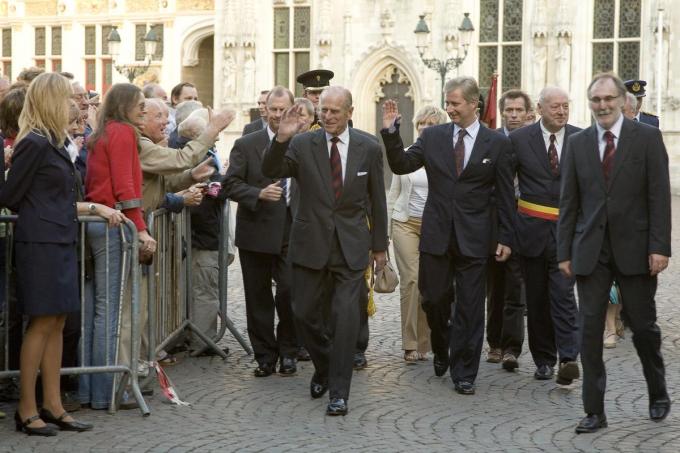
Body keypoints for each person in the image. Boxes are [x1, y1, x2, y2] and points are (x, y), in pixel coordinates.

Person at [0, 72, 123, 435]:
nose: (75, 103)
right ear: (51, 99)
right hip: (39, 244)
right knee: (39, 325)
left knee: (56, 324)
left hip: (60, 240)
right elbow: (9, 196)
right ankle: (27, 409)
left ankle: (53, 405)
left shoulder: (53, 142)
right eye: (68, 98)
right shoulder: (34, 143)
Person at [380, 77, 515, 396]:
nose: (449, 108)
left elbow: (506, 195)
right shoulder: (434, 137)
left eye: (455, 103)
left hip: (475, 237)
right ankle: (441, 347)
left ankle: (465, 371)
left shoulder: (496, 143)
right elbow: (401, 165)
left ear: (473, 105)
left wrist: (506, 237)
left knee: (470, 306)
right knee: (433, 299)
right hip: (436, 234)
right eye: (447, 102)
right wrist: (390, 132)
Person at [263, 86, 388, 416]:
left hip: (351, 248)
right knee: (303, 314)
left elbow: (378, 200)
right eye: (324, 111)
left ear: (350, 112)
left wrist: (380, 249)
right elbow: (271, 171)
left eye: (335, 111)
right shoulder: (303, 144)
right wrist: (281, 137)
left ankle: (338, 392)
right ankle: (323, 366)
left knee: (346, 320)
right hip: (310, 244)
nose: (328, 116)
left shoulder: (369, 147)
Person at [557, 72, 671, 433]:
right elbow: (569, 203)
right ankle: (594, 411)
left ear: (622, 101)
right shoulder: (577, 143)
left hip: (637, 251)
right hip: (591, 252)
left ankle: (657, 392)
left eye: (608, 99)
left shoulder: (647, 139)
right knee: (589, 332)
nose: (602, 106)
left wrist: (659, 247)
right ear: (589, 103)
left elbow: (658, 196)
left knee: (644, 329)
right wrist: (564, 252)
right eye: (596, 100)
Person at [81, 83, 157, 410]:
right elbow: (126, 186)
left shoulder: (101, 134)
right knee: (109, 312)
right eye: (139, 104)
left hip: (98, 221)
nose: (144, 109)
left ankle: (93, 390)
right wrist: (140, 228)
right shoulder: (123, 133)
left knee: (98, 310)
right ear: (124, 105)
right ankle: (108, 391)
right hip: (112, 223)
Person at [509, 86, 581, 384]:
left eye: (566, 106)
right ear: (539, 109)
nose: (562, 111)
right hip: (531, 232)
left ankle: (568, 357)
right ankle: (543, 360)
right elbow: (504, 185)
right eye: (555, 107)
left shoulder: (581, 138)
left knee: (563, 295)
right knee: (537, 299)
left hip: (569, 233)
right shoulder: (518, 140)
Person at [226, 86, 299, 377]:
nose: (278, 115)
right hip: (256, 230)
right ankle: (265, 356)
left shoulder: (305, 142)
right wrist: (257, 193)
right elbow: (229, 184)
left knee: (290, 292)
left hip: (293, 231)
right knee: (258, 298)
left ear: (293, 110)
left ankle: (289, 352)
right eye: (273, 109)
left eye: (284, 109)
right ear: (264, 110)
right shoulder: (246, 144)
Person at [387, 105, 447, 363]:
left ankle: (427, 341)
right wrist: (385, 233)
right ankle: (410, 343)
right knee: (411, 280)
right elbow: (394, 192)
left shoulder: (446, 155)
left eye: (430, 124)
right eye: (421, 124)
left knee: (430, 285)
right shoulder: (408, 154)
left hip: (435, 225)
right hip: (405, 223)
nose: (424, 128)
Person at [485, 90, 530, 368]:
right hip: (496, 221)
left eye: (518, 110)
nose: (513, 115)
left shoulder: (532, 141)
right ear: (502, 112)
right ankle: (495, 343)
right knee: (494, 286)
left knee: (516, 287)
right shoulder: (492, 141)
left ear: (527, 113)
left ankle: (512, 347)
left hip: (525, 220)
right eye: (509, 110)